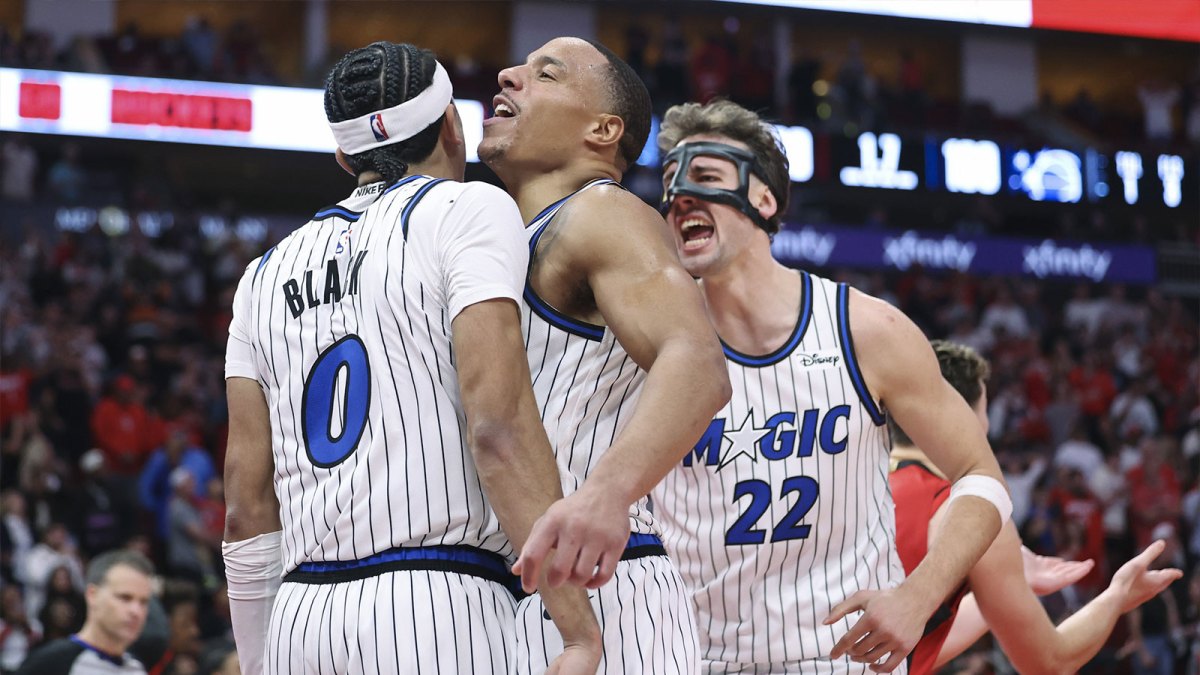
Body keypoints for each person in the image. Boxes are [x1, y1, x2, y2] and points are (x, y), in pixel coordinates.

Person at [222, 41, 612, 674]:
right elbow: (499, 427)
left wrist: (258, 661)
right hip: (434, 601)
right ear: (452, 125)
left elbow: (244, 504)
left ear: (344, 155)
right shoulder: (468, 208)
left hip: (300, 615)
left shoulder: (261, 274)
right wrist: (576, 630)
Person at [651, 99, 1009, 673]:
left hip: (838, 659)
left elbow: (982, 477)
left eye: (706, 177)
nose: (680, 198)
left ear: (763, 199)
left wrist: (919, 596)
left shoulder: (868, 330)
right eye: (670, 182)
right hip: (692, 658)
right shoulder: (647, 341)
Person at [478, 37, 731, 673]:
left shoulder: (602, 211)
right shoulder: (501, 243)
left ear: (603, 130)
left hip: (601, 581)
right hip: (519, 587)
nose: (507, 76)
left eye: (546, 75)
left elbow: (698, 363)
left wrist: (607, 494)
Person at [890, 340, 1184, 673]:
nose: (987, 427)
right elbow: (1051, 662)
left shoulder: (853, 481)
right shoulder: (973, 512)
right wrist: (1118, 595)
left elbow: (894, 655)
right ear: (962, 414)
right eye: (984, 411)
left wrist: (1010, 585)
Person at [16, 550, 154, 675]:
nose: (136, 611)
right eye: (124, 598)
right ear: (92, 595)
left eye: (143, 602)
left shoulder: (137, 669)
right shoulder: (52, 663)